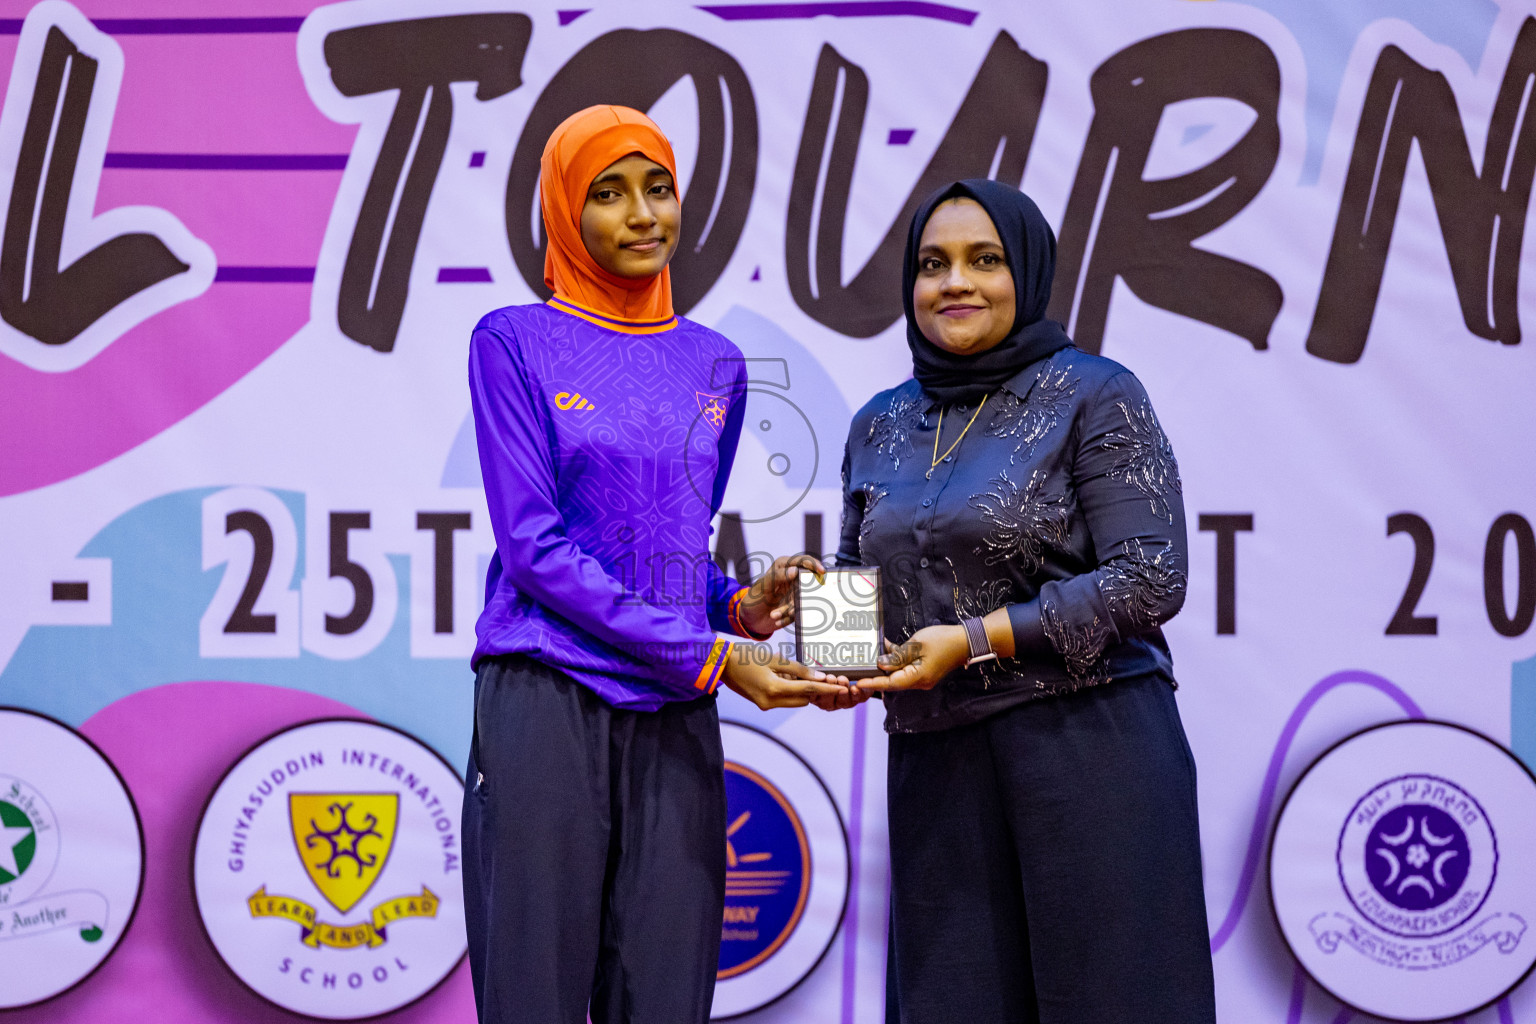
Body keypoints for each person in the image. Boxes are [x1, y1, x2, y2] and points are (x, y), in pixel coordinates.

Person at [462, 105, 853, 1024]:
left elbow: (671, 556)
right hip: (547, 697)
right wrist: (715, 657)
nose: (643, 215)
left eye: (659, 188)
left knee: (668, 999)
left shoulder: (714, 362)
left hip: (676, 712)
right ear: (564, 210)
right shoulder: (511, 341)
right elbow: (535, 548)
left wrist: (747, 608)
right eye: (608, 193)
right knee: (536, 1000)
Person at [840, 179, 1216, 1024]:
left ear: (1031, 272)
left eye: (986, 260)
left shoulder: (1095, 393)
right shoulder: (879, 423)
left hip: (1089, 749)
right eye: (933, 264)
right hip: (938, 765)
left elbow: (1151, 576)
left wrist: (974, 638)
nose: (955, 283)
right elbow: (858, 605)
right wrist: (798, 616)